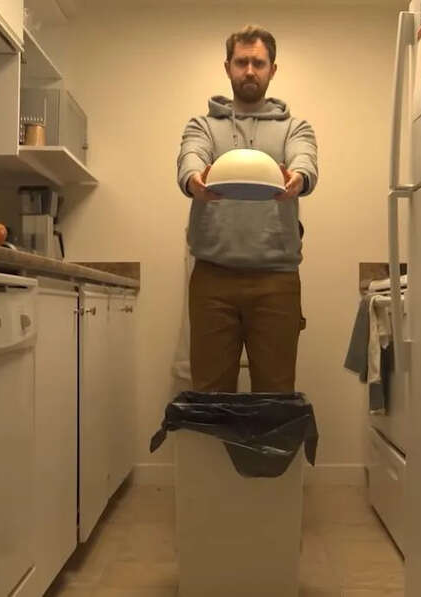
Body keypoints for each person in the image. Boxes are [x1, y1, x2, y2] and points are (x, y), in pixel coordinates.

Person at [176, 24, 318, 394]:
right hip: (212, 279)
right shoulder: (203, 125)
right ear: (228, 67)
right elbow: (190, 157)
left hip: (276, 281)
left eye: (259, 63)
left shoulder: (295, 127)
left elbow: (305, 160)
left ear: (273, 69)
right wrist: (194, 179)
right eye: (242, 62)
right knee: (209, 394)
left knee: (275, 394)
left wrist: (299, 177)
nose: (250, 71)